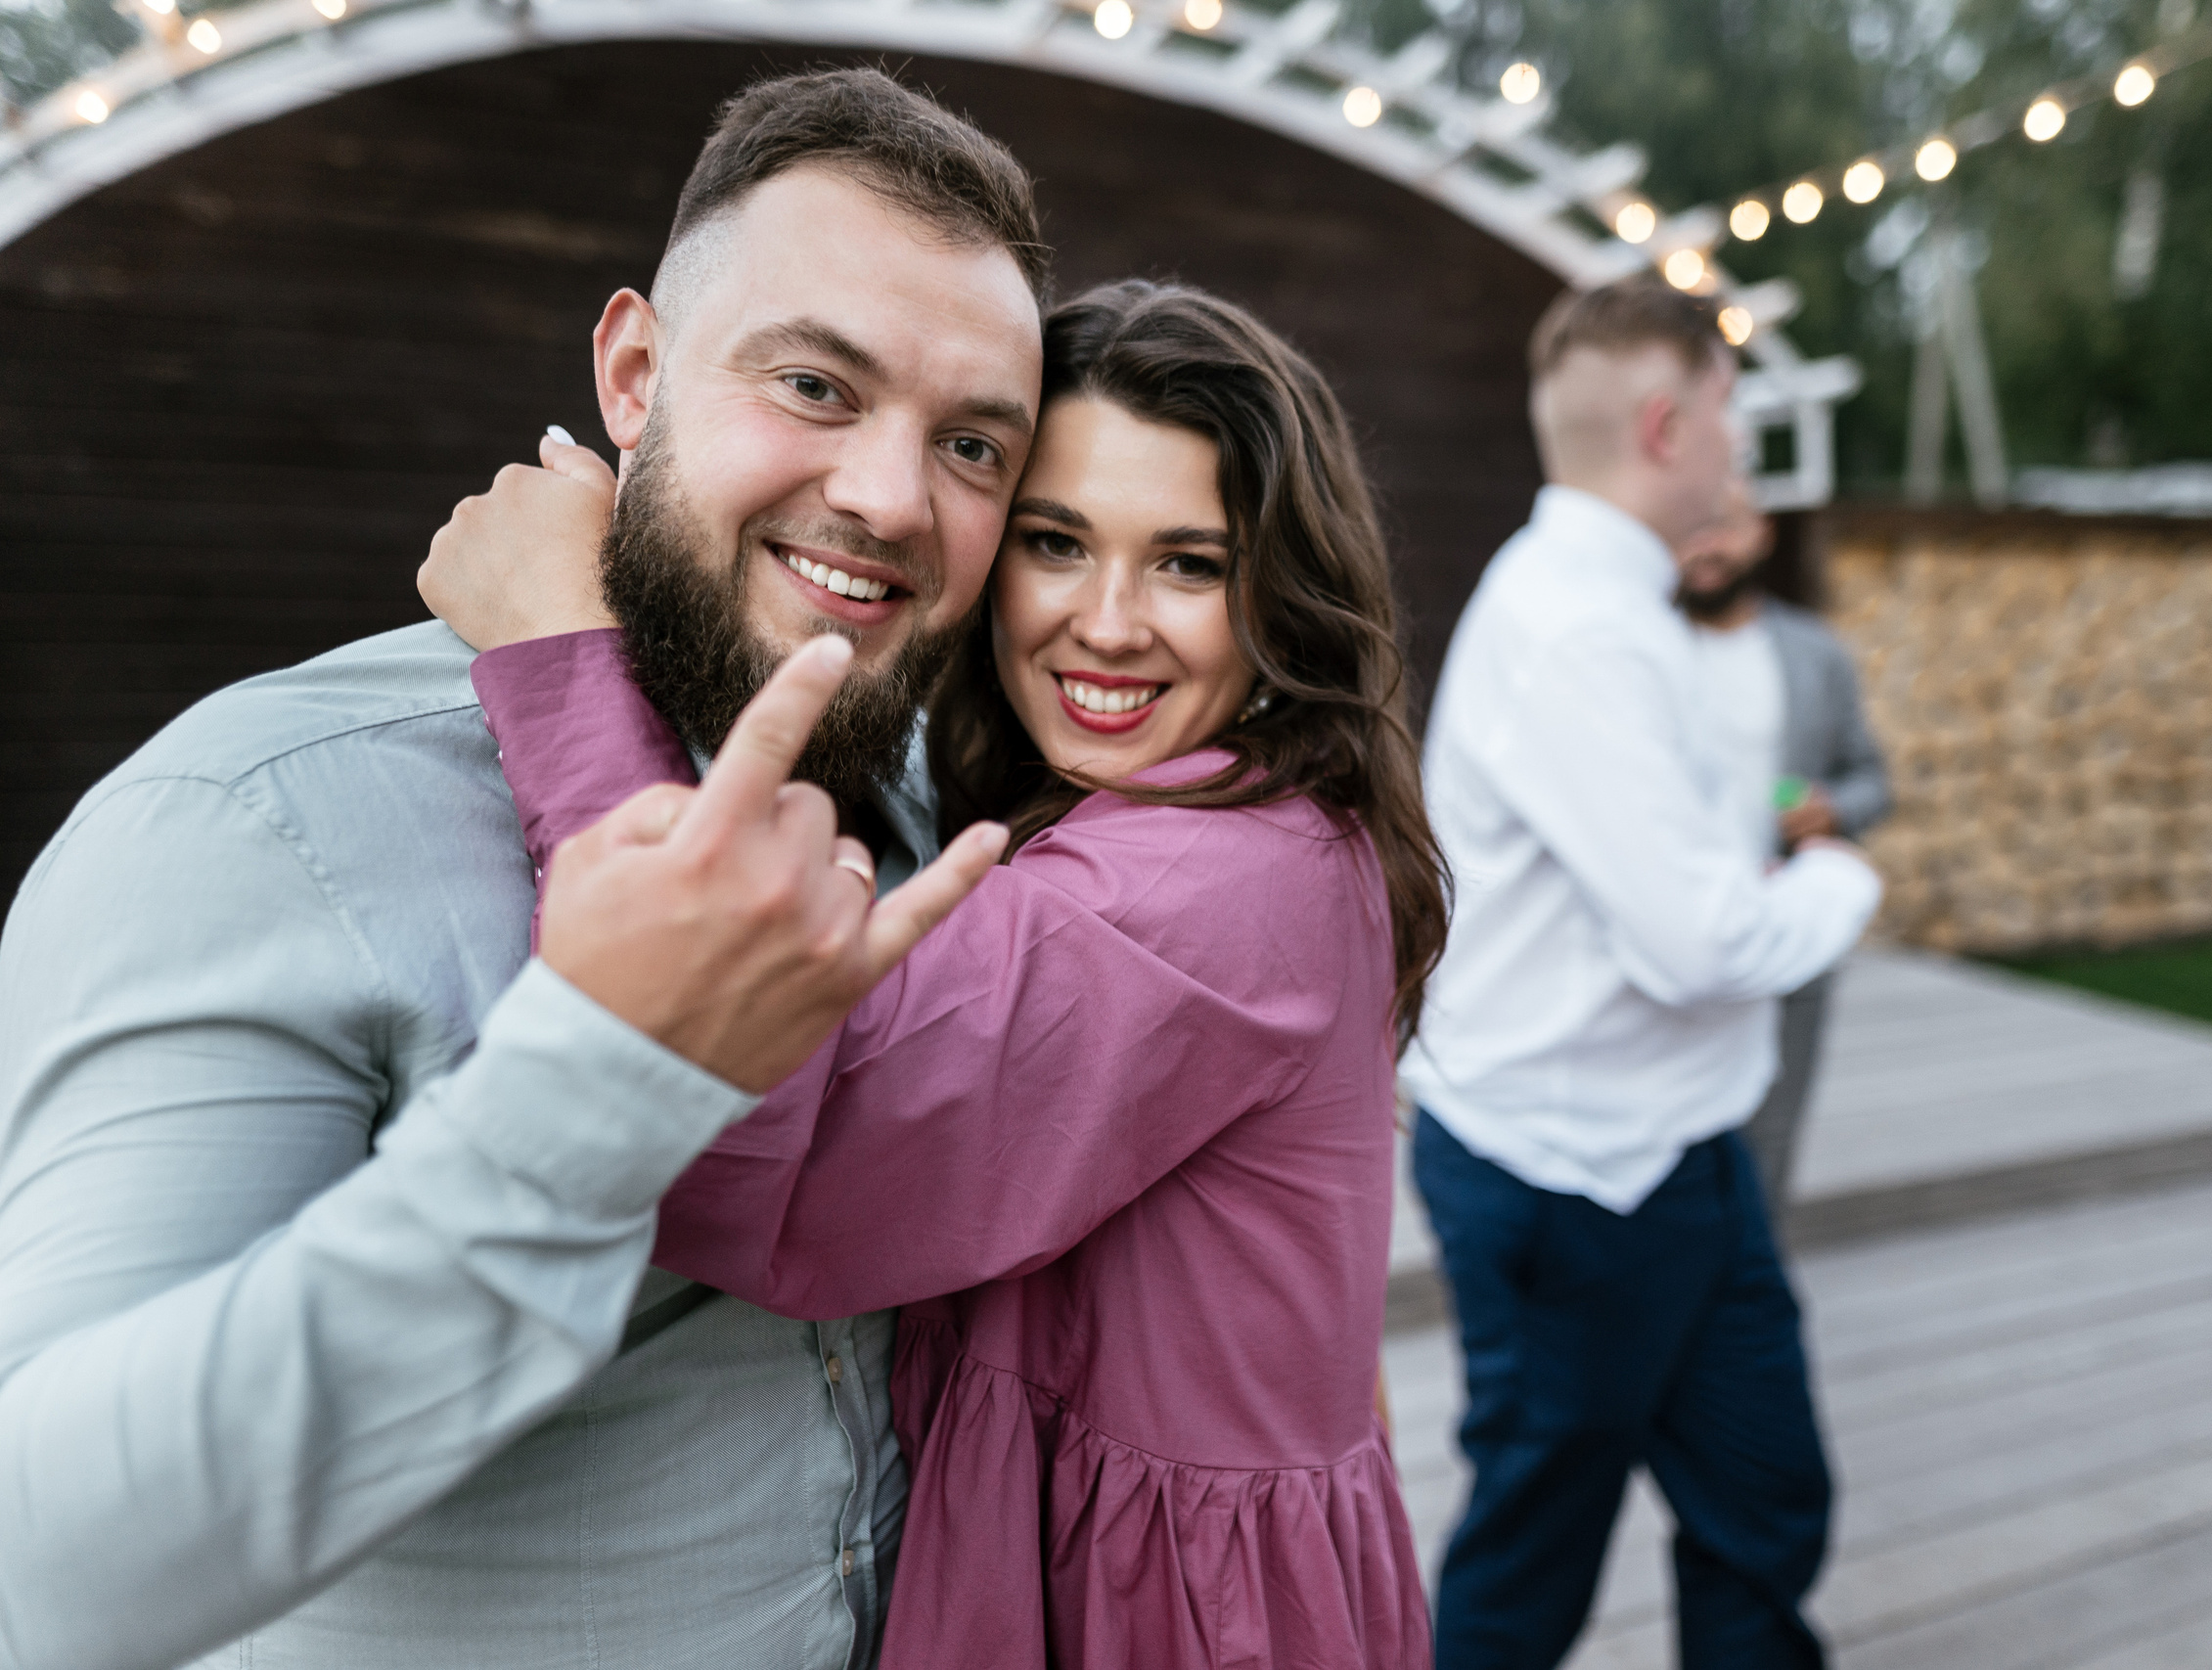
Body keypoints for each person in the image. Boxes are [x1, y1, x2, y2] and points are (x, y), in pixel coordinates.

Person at [0, 69, 1041, 1670]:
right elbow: (46, 1569)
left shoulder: (906, 781)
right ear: (635, 372)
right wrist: (595, 1083)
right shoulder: (258, 818)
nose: (896, 497)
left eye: (973, 444)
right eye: (819, 387)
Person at [419, 280, 1442, 1667]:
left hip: (1157, 1619)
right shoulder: (1243, 811)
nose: (1110, 622)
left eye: (1190, 563)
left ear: (1283, 594)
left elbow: (752, 1126)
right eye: (1056, 541)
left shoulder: (1210, 879)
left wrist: (563, 660)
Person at [1400, 274, 1883, 1670]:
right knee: (1531, 1563)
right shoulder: (1578, 629)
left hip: (1684, 1156)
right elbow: (1705, 942)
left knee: (1766, 1497)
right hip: (1572, 1182)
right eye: (1733, 415)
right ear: (1668, 424)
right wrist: (1843, 881)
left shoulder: (1622, 607)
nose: (1744, 450)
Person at [1673, 481, 1893, 1216]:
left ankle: (1751, 1272)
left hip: (1785, 922)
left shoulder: (1814, 653)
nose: (1707, 546)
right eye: (1691, 528)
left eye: (1724, 526)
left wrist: (1834, 808)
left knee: (1772, 1127)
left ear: (1762, 533)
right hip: (1675, 929)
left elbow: (1872, 778)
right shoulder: (1643, 646)